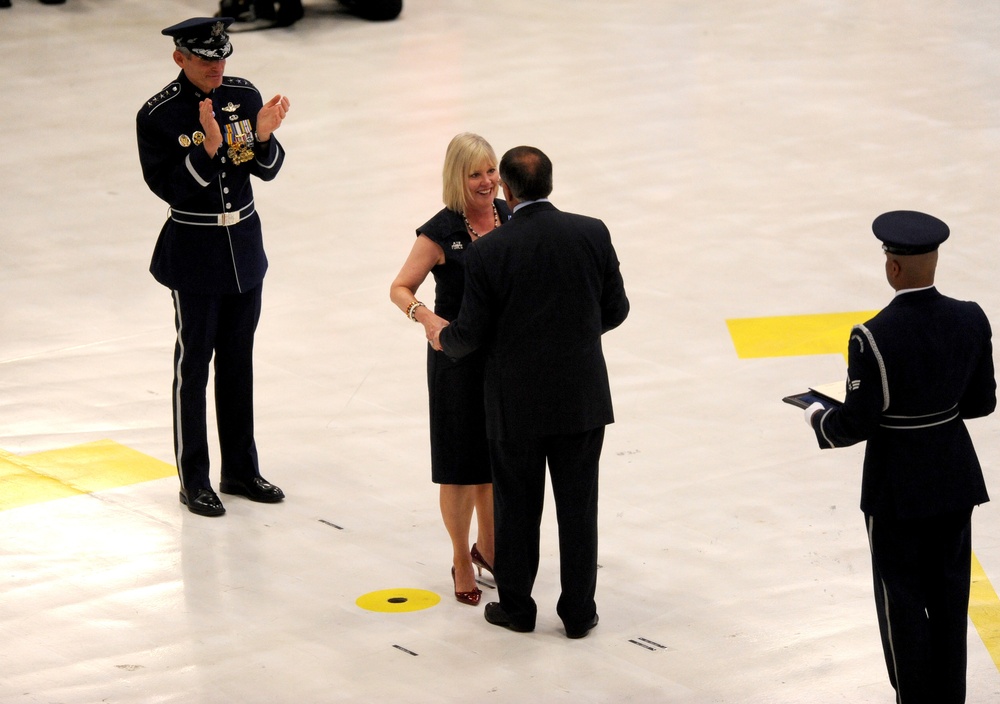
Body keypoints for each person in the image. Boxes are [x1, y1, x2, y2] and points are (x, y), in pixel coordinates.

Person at [431, 146, 629, 638]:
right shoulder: (592, 231)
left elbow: (469, 332)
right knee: (579, 510)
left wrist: (438, 333)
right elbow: (617, 308)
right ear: (551, 185)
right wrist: (574, 339)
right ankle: (579, 614)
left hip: (514, 404)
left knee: (518, 509)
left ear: (507, 190)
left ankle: (518, 609)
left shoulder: (490, 251)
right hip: (581, 399)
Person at [803, 210, 996, 703]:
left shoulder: (871, 336)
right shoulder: (971, 317)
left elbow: (856, 424)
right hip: (954, 479)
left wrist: (816, 416)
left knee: (902, 605)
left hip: (897, 490)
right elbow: (981, 403)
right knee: (951, 600)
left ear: (892, 268)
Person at [136, 17, 291, 517]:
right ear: (180, 58)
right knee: (194, 364)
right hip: (195, 251)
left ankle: (241, 470)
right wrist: (206, 148)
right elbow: (170, 188)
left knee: (238, 361)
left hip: (243, 246)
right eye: (206, 61)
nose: (217, 68)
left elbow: (258, 169)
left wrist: (262, 137)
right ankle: (194, 477)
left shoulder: (242, 96)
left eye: (222, 58)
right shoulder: (157, 116)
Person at [390, 133, 511, 606]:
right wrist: (424, 315)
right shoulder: (439, 231)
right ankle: (462, 556)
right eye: (475, 173)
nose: (487, 182)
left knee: (497, 462)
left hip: (504, 359)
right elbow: (400, 287)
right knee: (461, 469)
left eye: (491, 171)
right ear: (456, 178)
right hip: (456, 361)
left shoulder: (512, 216)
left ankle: (493, 549)